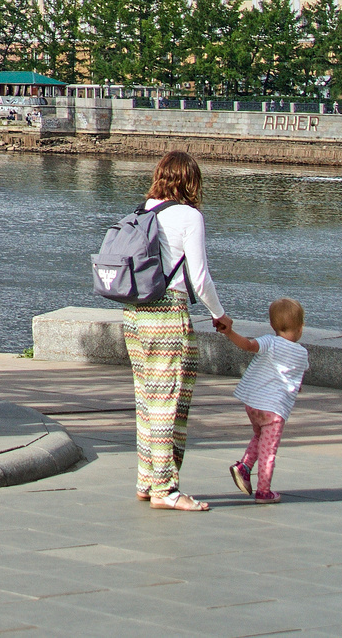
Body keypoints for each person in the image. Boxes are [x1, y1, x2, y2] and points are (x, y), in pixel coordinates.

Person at [125, 150, 230, 513]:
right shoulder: (189, 216)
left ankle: (146, 480)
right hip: (167, 313)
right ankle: (165, 489)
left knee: (146, 399)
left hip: (135, 313)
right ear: (191, 182)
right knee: (168, 400)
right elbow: (199, 278)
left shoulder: (144, 210)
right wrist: (220, 314)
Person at [223, 298, 310, 503]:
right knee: (268, 450)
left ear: (272, 325)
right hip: (274, 409)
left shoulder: (269, 342)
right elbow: (296, 379)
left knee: (259, 436)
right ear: (300, 328)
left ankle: (244, 467)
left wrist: (229, 333)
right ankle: (264, 490)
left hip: (253, 404)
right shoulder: (302, 353)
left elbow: (248, 345)